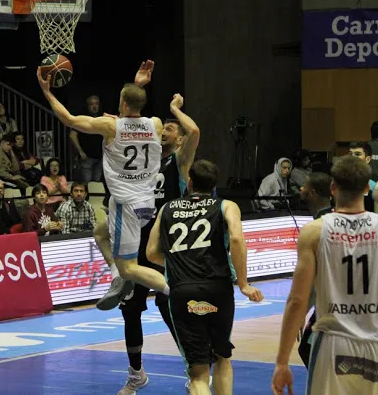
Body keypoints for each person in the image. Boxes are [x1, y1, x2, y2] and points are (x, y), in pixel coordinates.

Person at [38, 60, 169, 307]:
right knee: (100, 233)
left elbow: (68, 119)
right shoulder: (156, 124)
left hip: (125, 205)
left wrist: (47, 92)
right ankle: (118, 279)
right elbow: (134, 121)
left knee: (130, 267)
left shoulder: (110, 126)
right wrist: (138, 87)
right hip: (147, 203)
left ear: (123, 103)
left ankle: (178, 290)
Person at [147, 159, 263, 395]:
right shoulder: (227, 205)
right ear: (214, 184)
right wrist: (243, 284)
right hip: (218, 288)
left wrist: (178, 262)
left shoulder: (167, 208)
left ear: (189, 182)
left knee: (199, 374)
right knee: (222, 357)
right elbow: (237, 239)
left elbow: (151, 253)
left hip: (183, 291)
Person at [115, 94, 201, 394]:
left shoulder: (179, 161)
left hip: (166, 246)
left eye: (170, 129)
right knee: (130, 309)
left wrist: (175, 109)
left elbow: (195, 131)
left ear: (179, 139)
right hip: (137, 242)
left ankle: (195, 369)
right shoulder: (147, 159)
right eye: (162, 128)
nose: (164, 132)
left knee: (169, 305)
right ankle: (136, 373)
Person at [272, 155, 378, 395]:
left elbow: (298, 300)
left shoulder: (314, 231)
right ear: (366, 188)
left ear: (333, 188)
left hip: (333, 342)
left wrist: (282, 361)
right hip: (374, 338)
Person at [296, 171, 333, 369]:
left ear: (313, 193)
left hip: (332, 306)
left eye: (305, 186)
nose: (300, 188)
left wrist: (300, 312)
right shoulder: (334, 217)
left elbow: (311, 277)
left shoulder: (316, 228)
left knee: (308, 350)